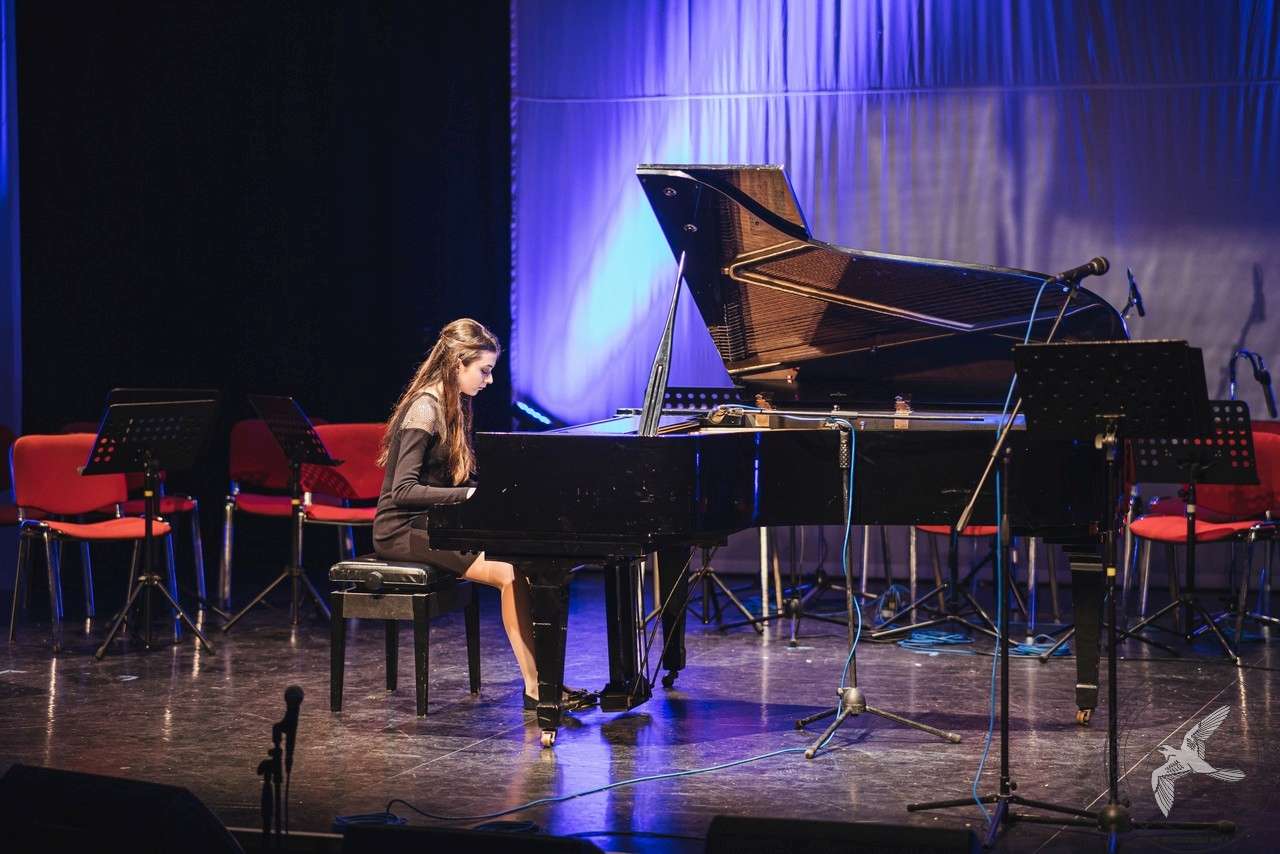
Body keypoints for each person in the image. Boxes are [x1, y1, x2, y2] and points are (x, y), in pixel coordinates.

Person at [373, 318, 593, 712]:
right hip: (401, 529)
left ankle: (545, 680)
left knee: (522, 564)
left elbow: (457, 478)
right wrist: (470, 495)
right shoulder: (425, 407)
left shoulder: (453, 404)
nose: (489, 380)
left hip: (435, 523)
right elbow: (402, 492)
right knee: (508, 572)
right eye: (484, 370)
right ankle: (536, 687)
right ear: (457, 362)